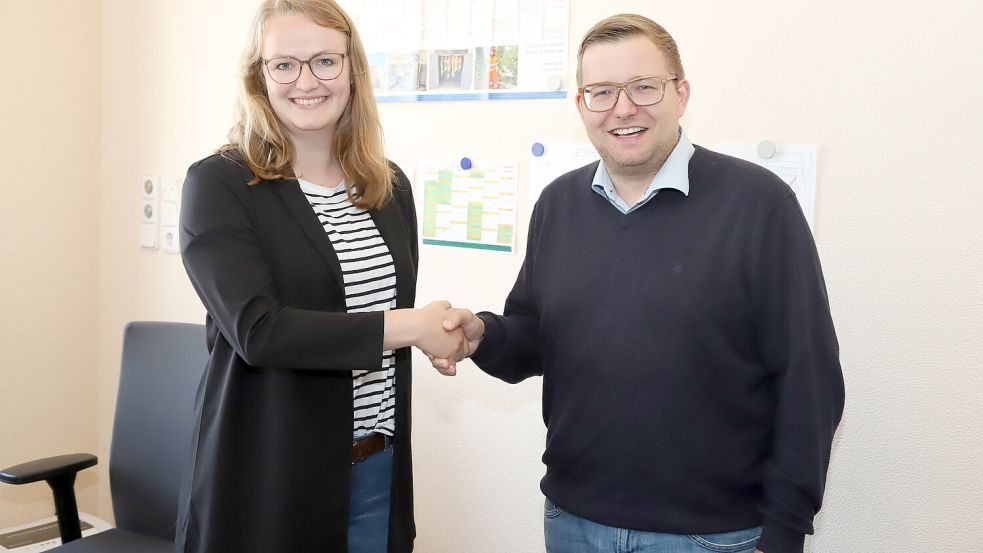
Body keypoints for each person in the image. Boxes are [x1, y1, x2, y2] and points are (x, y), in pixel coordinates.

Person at [434, 13, 845, 553]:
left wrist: (786, 531)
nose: (623, 109)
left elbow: (809, 378)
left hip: (713, 536)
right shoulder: (558, 204)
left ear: (681, 93)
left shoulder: (759, 204)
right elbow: (535, 336)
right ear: (581, 105)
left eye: (643, 87)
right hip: (573, 520)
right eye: (601, 92)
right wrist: (482, 334)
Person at [176, 1, 467, 552]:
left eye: (324, 62)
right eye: (283, 64)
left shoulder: (388, 187)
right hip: (270, 479)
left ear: (352, 68)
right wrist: (412, 326)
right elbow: (259, 332)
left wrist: (442, 330)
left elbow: (384, 312)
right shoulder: (220, 184)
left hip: (377, 467)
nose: (305, 81)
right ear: (258, 77)